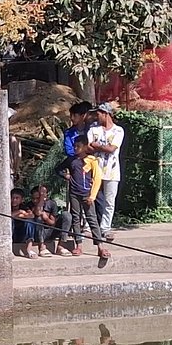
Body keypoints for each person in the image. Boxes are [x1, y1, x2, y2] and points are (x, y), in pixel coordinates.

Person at [59, 134, 110, 259]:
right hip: (74, 194)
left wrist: (92, 196)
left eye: (78, 146)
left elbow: (97, 179)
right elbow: (58, 169)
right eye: (75, 146)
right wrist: (65, 176)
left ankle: (100, 246)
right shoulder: (71, 160)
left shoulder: (92, 161)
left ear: (85, 147)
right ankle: (79, 245)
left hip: (87, 194)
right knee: (76, 218)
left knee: (92, 219)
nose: (76, 148)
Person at [87, 102, 124, 240]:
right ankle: (87, 226)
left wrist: (98, 146)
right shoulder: (93, 129)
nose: (96, 117)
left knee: (110, 200)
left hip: (112, 170)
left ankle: (105, 227)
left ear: (106, 114)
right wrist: (101, 147)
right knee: (90, 197)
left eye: (98, 114)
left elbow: (112, 149)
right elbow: (90, 147)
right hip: (95, 168)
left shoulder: (118, 130)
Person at [29, 184, 61, 257]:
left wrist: (46, 218)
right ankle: (41, 246)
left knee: (66, 216)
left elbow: (52, 223)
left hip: (49, 231)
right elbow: (37, 212)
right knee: (38, 218)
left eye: (38, 198)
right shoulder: (30, 204)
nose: (35, 200)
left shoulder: (51, 204)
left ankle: (61, 245)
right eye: (33, 198)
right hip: (37, 233)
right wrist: (40, 201)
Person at [10, 187, 36, 257]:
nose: (14, 200)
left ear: (22, 199)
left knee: (30, 222)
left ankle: (29, 249)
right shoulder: (7, 206)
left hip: (21, 234)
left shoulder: (25, 207)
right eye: (12, 197)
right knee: (10, 220)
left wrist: (16, 215)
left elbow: (31, 216)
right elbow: (8, 215)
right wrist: (20, 212)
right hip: (10, 234)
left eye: (17, 198)